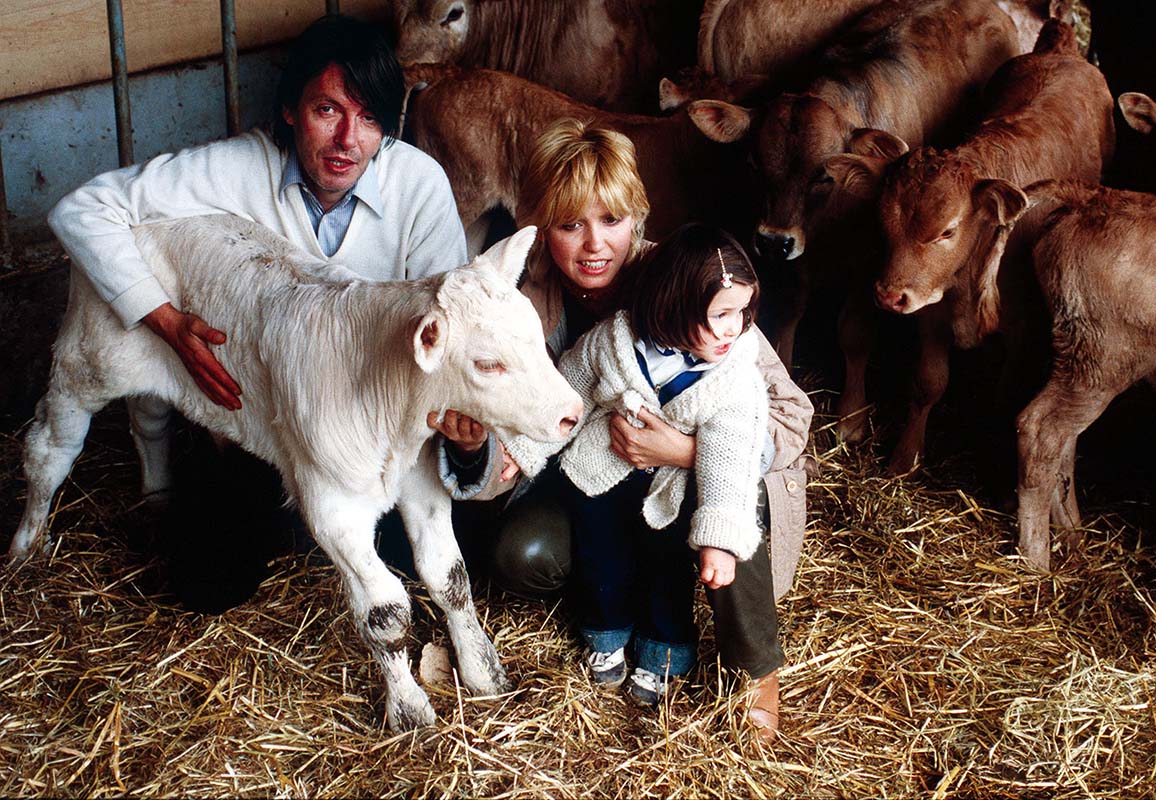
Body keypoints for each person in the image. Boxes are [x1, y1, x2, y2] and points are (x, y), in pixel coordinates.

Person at [48, 14, 468, 610]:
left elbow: (451, 320)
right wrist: (162, 319)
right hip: (261, 431)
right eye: (328, 110)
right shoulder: (236, 168)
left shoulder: (418, 185)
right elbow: (82, 210)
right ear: (292, 110)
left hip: (373, 440)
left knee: (439, 545)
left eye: (370, 118)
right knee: (205, 579)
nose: (349, 140)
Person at [432, 118, 814, 742]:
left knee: (726, 490)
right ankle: (609, 614)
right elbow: (525, 426)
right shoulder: (520, 301)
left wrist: (688, 451)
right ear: (539, 227)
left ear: (637, 217)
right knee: (521, 554)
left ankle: (753, 670)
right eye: (569, 224)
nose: (593, 245)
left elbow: (789, 413)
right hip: (596, 478)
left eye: (611, 220)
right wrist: (477, 449)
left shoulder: (690, 281)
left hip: (700, 472)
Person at [504, 222, 777, 711]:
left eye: (741, 312)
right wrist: (524, 450)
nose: (733, 328)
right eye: (720, 315)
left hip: (670, 494)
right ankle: (605, 634)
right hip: (601, 477)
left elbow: (733, 458)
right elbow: (571, 394)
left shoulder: (733, 377)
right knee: (602, 558)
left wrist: (718, 539)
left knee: (664, 571)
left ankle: (664, 652)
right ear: (672, 305)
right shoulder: (615, 340)